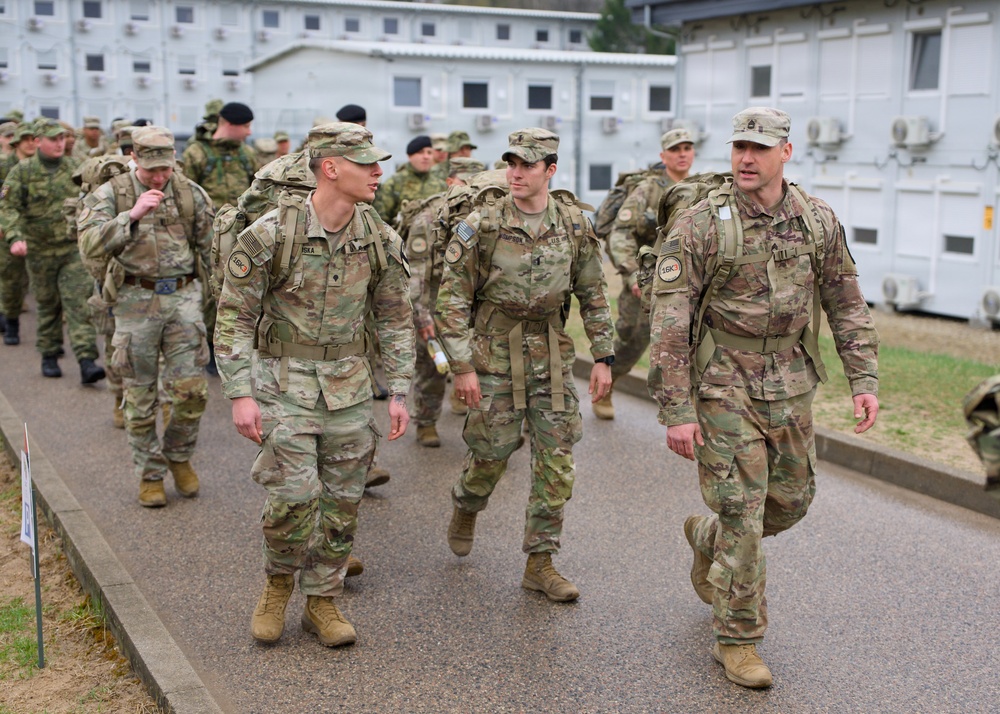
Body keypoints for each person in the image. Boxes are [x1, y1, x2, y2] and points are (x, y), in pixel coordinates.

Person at [648, 107, 880, 688]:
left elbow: (846, 300)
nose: (745, 159)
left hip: (791, 381)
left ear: (786, 152)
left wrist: (864, 379)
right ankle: (739, 640)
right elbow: (671, 318)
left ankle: (707, 539)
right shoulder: (703, 222)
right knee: (744, 516)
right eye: (738, 148)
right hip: (724, 382)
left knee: (791, 502)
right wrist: (677, 409)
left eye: (758, 148)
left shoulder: (817, 220)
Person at [215, 122, 414, 648]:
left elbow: (394, 317)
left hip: (348, 387)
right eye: (366, 163)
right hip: (283, 383)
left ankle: (322, 601)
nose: (378, 172)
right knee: (294, 496)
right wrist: (240, 394)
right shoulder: (269, 235)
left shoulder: (378, 236)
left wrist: (398, 389)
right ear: (330, 168)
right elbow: (234, 316)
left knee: (344, 501)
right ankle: (277, 587)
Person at [434, 128, 614, 602]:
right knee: (492, 454)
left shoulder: (575, 226)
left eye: (527, 165)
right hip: (493, 354)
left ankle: (540, 561)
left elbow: (593, 295)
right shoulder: (483, 224)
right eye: (511, 163)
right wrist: (463, 367)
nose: (515, 172)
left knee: (556, 461)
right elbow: (451, 300)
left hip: (551, 355)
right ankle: (467, 502)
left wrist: (602, 356)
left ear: (549, 171)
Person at [77, 127, 213, 506]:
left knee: (191, 392)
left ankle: (179, 457)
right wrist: (131, 216)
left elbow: (212, 247)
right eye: (151, 169)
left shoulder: (189, 193)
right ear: (134, 158)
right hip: (134, 300)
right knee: (139, 395)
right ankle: (150, 474)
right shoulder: (111, 194)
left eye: (165, 169)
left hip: (183, 297)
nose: (159, 177)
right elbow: (87, 242)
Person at [593, 127, 695, 420]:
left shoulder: (700, 189)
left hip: (686, 284)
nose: (682, 154)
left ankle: (685, 407)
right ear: (663, 156)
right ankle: (606, 386)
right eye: (675, 150)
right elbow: (621, 234)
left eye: (687, 148)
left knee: (688, 344)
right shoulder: (648, 189)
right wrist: (632, 274)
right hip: (645, 281)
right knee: (631, 342)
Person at [0, 119, 105, 382]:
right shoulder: (22, 172)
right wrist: (14, 236)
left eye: (62, 139)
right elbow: (8, 207)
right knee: (48, 304)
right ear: (37, 142)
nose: (60, 144)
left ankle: (86, 361)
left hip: (71, 250)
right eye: (53, 139)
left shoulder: (74, 168)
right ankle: (48, 354)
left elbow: (93, 200)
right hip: (38, 251)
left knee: (79, 304)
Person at [403, 156, 486, 447]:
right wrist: (422, 318)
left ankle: (488, 429)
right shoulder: (429, 218)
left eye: (477, 184)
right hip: (434, 305)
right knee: (433, 367)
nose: (471, 191)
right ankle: (425, 422)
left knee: (484, 366)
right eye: (465, 183)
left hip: (471, 308)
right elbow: (416, 275)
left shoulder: (485, 217)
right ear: (450, 182)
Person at [0, 123, 38, 344]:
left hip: (37, 231)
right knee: (11, 279)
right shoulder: (5, 166)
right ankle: (10, 319)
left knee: (31, 282)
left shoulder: (41, 166)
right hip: (8, 229)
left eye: (35, 139)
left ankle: (50, 340)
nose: (32, 144)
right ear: (16, 143)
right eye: (27, 140)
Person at [371, 135, 446, 225]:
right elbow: (382, 219)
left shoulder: (441, 185)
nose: (426, 157)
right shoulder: (394, 183)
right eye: (420, 152)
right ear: (410, 156)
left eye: (429, 153)